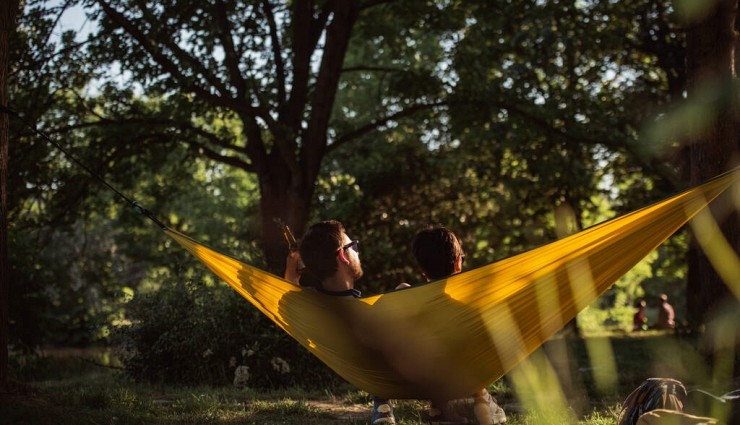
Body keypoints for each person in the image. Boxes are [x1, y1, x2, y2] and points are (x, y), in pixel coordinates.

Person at [283, 220, 395, 424]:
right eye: (355, 247)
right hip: (389, 372)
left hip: (356, 367)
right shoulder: (369, 313)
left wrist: (292, 270)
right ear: (343, 255)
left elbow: (287, 295)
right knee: (404, 289)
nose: (358, 252)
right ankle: (389, 401)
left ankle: (383, 403)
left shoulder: (309, 304)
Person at [410, 226, 507, 425]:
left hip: (418, 377)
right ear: (457, 263)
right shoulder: (466, 309)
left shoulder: (409, 302)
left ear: (422, 268)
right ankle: (481, 405)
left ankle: (441, 407)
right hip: (465, 378)